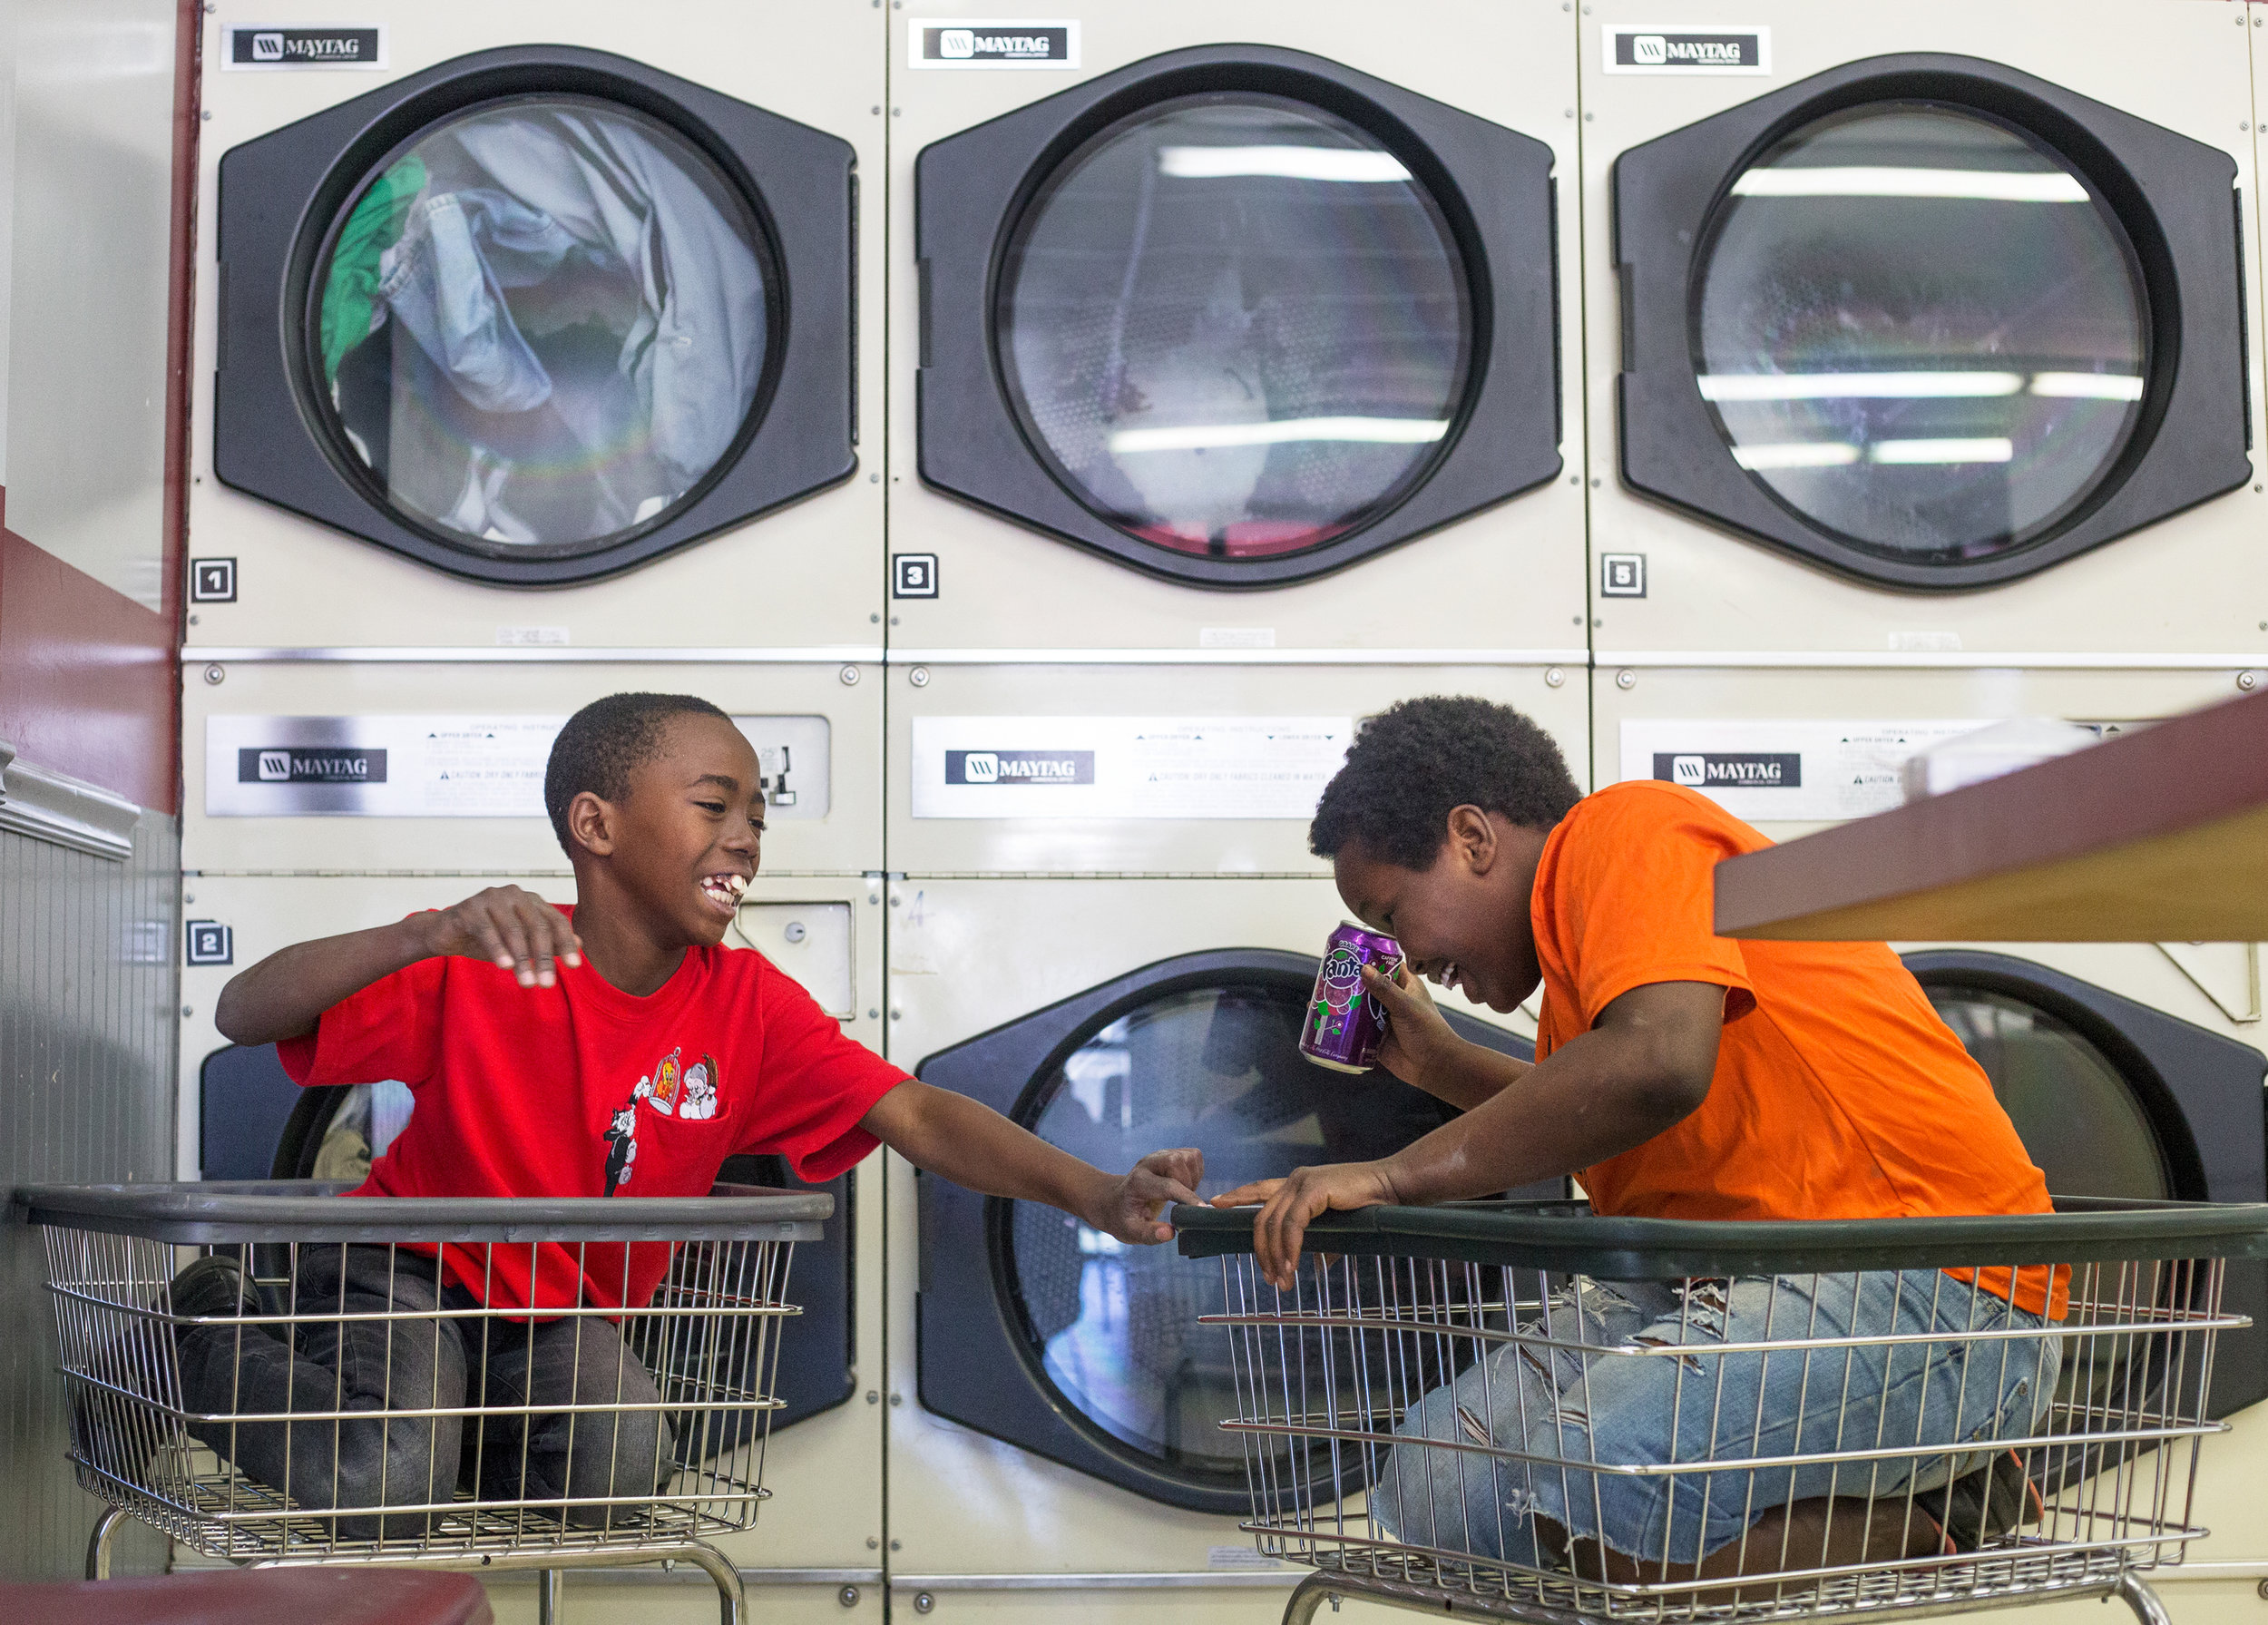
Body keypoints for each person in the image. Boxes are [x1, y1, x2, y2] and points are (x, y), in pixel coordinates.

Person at [173, 692, 1201, 1536]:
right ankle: (216, 1328)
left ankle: (425, 1448)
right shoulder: (478, 961)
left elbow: (919, 1116)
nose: (746, 839)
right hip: (407, 1263)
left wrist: (1097, 1193)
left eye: (757, 814)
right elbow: (242, 1009)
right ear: (596, 826)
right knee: (378, 1483)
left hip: (558, 1311)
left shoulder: (749, 1006)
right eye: (715, 807)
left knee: (618, 1474)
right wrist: (420, 936)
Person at [1210, 696, 2061, 1584]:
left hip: (1932, 1281)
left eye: (1392, 915)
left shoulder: (1626, 829)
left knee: (1602, 1468)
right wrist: (1443, 1067)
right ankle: (1707, 1539)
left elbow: (1657, 1068)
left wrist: (1389, 1177)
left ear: (1471, 839)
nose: (1406, 959)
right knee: (1438, 1484)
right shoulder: (1590, 989)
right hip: (1736, 1275)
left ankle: (1941, 1515)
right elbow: (1617, 1113)